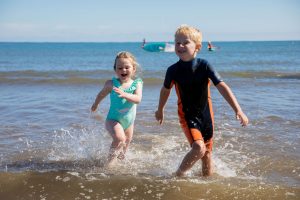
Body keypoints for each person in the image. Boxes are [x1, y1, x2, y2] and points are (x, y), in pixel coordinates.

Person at [155, 25, 248, 177]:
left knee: (207, 155)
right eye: (177, 42)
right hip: (187, 116)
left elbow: (222, 86)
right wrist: (160, 109)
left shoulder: (204, 65)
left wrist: (238, 109)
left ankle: (206, 184)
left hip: (207, 117)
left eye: (185, 42)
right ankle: (178, 175)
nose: (180, 46)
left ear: (197, 47)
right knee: (198, 148)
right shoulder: (173, 70)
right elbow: (165, 90)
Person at [91, 51, 143, 167]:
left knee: (125, 146)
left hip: (129, 122)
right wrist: (96, 104)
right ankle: (109, 165)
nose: (123, 70)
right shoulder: (111, 84)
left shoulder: (137, 83)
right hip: (113, 120)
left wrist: (125, 94)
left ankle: (120, 165)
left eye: (127, 67)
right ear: (115, 69)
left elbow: (138, 99)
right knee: (120, 139)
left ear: (133, 69)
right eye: (119, 68)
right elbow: (101, 94)